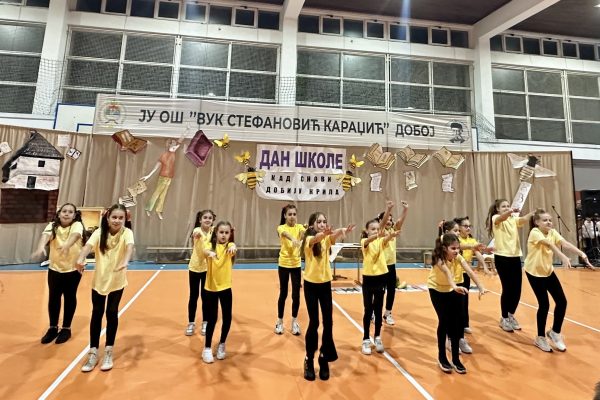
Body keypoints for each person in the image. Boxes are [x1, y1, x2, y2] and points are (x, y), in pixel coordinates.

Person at [524, 209, 595, 352]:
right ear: (536, 222)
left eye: (550, 220)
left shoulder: (552, 232)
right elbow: (549, 245)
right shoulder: (535, 232)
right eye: (545, 220)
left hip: (548, 271)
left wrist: (581, 253)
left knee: (562, 302)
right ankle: (540, 337)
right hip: (534, 273)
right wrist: (562, 257)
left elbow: (565, 243)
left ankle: (555, 332)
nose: (549, 222)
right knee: (544, 305)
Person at [77, 204, 134, 372]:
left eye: (120, 218)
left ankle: (109, 351)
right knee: (96, 313)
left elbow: (129, 247)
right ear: (107, 218)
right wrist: (80, 258)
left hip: (117, 281)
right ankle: (93, 352)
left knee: (111, 313)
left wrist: (125, 261)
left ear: (125, 219)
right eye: (114, 217)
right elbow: (87, 247)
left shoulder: (127, 233)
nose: (117, 220)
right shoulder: (99, 232)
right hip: (99, 281)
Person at [302, 212, 355, 381]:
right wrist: (323, 234)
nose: (322, 224)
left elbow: (333, 236)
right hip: (310, 285)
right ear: (312, 224)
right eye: (319, 222)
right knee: (314, 322)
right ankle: (309, 359)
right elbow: (316, 238)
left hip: (325, 285)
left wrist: (343, 230)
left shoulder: (326, 239)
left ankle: (323, 357)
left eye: (324, 221)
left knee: (328, 322)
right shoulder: (308, 239)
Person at [428, 233, 486, 374]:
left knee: (456, 323)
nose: (456, 251)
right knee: (444, 321)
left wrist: (481, 287)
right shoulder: (439, 259)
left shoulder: (458, 257)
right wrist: (454, 286)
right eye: (453, 248)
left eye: (458, 248)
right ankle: (442, 357)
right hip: (437, 289)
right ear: (444, 248)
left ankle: (455, 358)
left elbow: (470, 271)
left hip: (452, 289)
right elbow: (447, 273)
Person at [32, 203, 85, 344]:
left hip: (73, 269)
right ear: (59, 213)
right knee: (54, 297)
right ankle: (53, 327)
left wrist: (67, 245)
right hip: (55, 268)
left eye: (70, 212)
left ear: (74, 215)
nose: (67, 214)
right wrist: (41, 247)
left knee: (69, 296)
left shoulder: (77, 225)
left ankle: (66, 328)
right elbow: (46, 235)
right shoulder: (52, 225)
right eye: (64, 211)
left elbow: (75, 236)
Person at [486, 199, 535, 333]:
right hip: (502, 257)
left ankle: (511, 314)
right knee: (507, 289)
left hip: (515, 257)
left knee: (517, 289)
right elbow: (502, 217)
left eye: (508, 206)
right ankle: (504, 318)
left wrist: (532, 213)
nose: (507, 208)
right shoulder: (496, 218)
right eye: (504, 206)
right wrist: (510, 211)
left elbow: (522, 220)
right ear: (497, 209)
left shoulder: (512, 219)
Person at [360, 205, 400, 355]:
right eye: (373, 229)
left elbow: (386, 237)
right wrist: (378, 234)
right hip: (368, 279)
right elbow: (372, 238)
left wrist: (391, 235)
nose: (376, 231)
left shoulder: (381, 241)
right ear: (367, 231)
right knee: (368, 309)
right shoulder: (365, 242)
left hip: (380, 278)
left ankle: (377, 337)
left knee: (378, 309)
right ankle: (365, 339)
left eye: (377, 229)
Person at [201, 221, 237, 364]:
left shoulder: (230, 246)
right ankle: (207, 348)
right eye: (221, 232)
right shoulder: (210, 246)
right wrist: (209, 253)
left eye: (226, 233)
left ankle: (222, 344)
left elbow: (233, 247)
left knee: (227, 318)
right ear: (216, 233)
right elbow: (204, 251)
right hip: (211, 289)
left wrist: (233, 246)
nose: (224, 235)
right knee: (212, 319)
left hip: (226, 288)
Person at [454, 216, 492, 336]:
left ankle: (465, 324)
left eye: (469, 226)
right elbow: (459, 246)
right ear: (459, 228)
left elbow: (477, 252)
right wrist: (472, 246)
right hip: (455, 274)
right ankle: (455, 326)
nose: (468, 228)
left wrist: (485, 266)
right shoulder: (456, 238)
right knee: (456, 302)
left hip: (466, 273)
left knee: (465, 300)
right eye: (465, 226)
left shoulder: (471, 239)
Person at [275, 204, 306, 335]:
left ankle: (294, 321)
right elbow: (285, 234)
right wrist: (293, 238)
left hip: (296, 265)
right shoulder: (281, 227)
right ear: (285, 216)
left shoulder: (300, 227)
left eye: (294, 214)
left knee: (296, 295)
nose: (292, 217)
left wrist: (304, 234)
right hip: (284, 264)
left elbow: (303, 234)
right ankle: (279, 321)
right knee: (283, 293)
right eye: (290, 214)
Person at [376, 200, 409, 326]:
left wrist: (405, 210)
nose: (389, 221)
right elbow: (383, 222)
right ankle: (374, 312)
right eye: (387, 219)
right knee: (379, 291)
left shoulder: (393, 230)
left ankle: (387, 313)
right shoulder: (380, 231)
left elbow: (400, 222)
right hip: (380, 266)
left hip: (391, 265)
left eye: (391, 219)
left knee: (391, 290)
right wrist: (388, 209)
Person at [185, 210, 216, 337]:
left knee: (206, 297)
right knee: (193, 296)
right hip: (194, 268)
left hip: (207, 268)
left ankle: (205, 322)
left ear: (212, 220)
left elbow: (223, 233)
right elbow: (196, 234)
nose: (207, 220)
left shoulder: (213, 231)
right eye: (205, 217)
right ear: (200, 220)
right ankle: (191, 323)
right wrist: (196, 235)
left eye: (210, 218)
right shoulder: (197, 230)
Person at [141, 136, 184, 219]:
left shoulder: (173, 153)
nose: (175, 145)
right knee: (156, 194)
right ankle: (148, 208)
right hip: (163, 178)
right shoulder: (164, 156)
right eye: (172, 144)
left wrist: (186, 132)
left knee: (163, 196)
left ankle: (158, 210)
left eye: (175, 144)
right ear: (169, 145)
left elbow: (179, 142)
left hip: (169, 178)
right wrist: (148, 176)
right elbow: (155, 168)